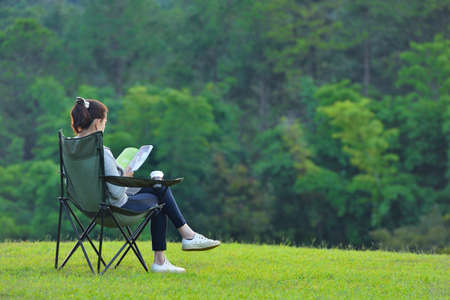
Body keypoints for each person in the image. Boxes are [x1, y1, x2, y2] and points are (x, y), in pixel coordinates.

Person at [70, 97, 220, 273]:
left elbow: (73, 183)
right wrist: (125, 176)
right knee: (160, 193)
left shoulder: (71, 148)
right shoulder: (101, 152)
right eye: (104, 122)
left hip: (87, 208)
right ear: (97, 123)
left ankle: (183, 241)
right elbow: (117, 193)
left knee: (157, 187)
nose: (104, 126)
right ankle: (175, 247)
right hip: (113, 210)